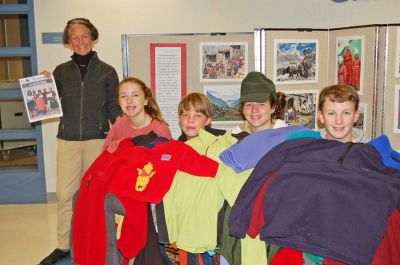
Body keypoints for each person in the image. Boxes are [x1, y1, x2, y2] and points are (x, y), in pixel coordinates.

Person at [39, 18, 122, 265]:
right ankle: (63, 246)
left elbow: (113, 108)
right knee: (65, 195)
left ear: (92, 37)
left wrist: (122, 132)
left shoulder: (107, 71)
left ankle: (95, 240)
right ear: (68, 42)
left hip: (97, 140)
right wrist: (43, 85)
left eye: (84, 36)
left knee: (94, 196)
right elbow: (47, 105)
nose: (80, 41)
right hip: (68, 140)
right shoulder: (61, 71)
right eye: (74, 37)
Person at [103, 77, 172, 153]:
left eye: (135, 95)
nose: (129, 101)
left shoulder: (160, 129)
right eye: (123, 96)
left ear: (146, 100)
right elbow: (105, 159)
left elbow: (167, 162)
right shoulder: (118, 126)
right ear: (119, 102)